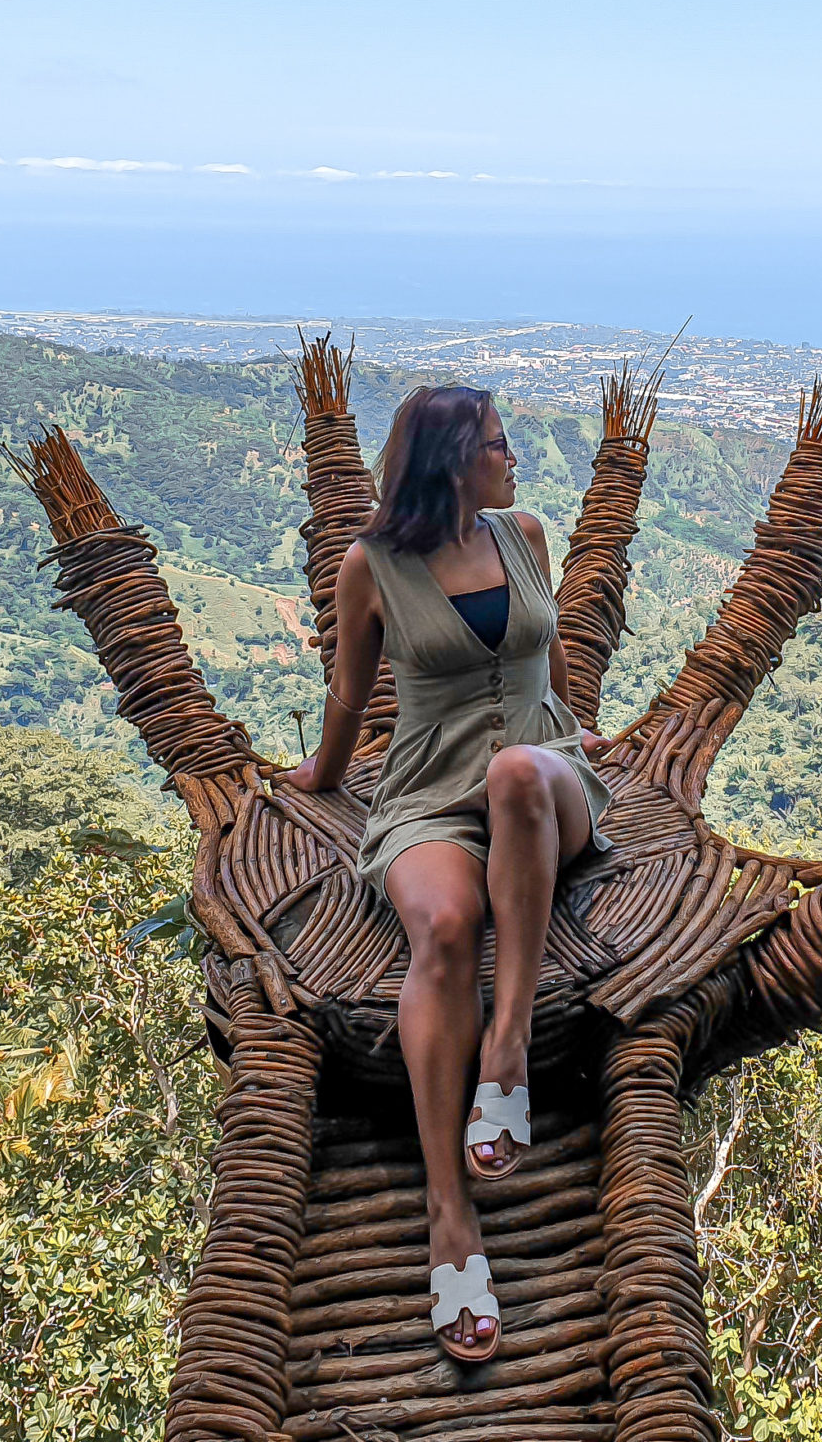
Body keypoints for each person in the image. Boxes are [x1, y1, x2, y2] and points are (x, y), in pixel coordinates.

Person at [280, 385, 617, 1365]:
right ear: (450, 462)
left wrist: (569, 735)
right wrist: (317, 776)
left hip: (541, 780)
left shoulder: (526, 535)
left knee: (518, 772)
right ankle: (448, 1215)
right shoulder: (372, 565)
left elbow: (548, 665)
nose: (515, 461)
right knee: (439, 929)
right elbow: (348, 695)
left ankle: (501, 1053)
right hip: (425, 791)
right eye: (498, 449)